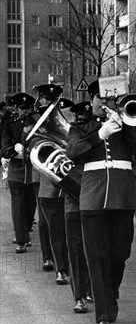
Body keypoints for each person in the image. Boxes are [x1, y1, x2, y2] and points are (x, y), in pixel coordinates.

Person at [66, 80, 136, 324]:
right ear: (92, 100)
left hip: (123, 199)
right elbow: (72, 152)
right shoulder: (80, 127)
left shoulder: (128, 127)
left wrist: (125, 125)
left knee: (120, 255)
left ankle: (110, 294)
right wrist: (100, 134)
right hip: (93, 200)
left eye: (110, 100)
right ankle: (102, 317)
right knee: (97, 257)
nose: (104, 104)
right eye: (100, 99)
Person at [32, 85, 70, 286]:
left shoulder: (71, 116)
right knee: (54, 227)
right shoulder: (38, 121)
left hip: (72, 181)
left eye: (47, 99)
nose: (43, 103)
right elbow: (30, 144)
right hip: (49, 182)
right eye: (43, 99)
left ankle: (74, 266)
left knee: (72, 228)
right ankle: (61, 269)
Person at [63, 100, 93, 313]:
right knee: (75, 248)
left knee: (95, 248)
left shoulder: (101, 131)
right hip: (74, 197)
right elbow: (73, 152)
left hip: (95, 198)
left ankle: (91, 289)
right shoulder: (73, 132)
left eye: (85, 116)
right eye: (79, 117)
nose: (81, 120)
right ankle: (79, 296)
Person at [1, 93, 37, 254]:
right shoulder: (9, 124)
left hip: (32, 168)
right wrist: (13, 150)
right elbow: (4, 146)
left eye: (28, 108)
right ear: (16, 108)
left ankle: (26, 228)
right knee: (18, 205)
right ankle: (21, 240)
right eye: (22, 108)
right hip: (16, 168)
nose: (25, 111)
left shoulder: (37, 122)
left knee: (30, 204)